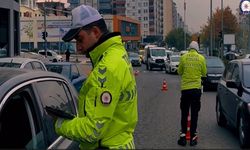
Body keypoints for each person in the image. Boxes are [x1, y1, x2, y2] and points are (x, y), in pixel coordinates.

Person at [54, 4, 138, 149]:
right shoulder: (117, 54)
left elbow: (92, 130)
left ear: (95, 32)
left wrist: (59, 124)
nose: (78, 48)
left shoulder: (107, 67)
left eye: (80, 39)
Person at [177, 41, 207, 146]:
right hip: (196, 90)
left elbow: (179, 72)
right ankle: (193, 137)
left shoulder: (183, 57)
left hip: (185, 90)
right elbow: (204, 73)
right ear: (197, 49)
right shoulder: (201, 58)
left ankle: (183, 137)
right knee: (195, 113)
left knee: (184, 113)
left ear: (189, 48)